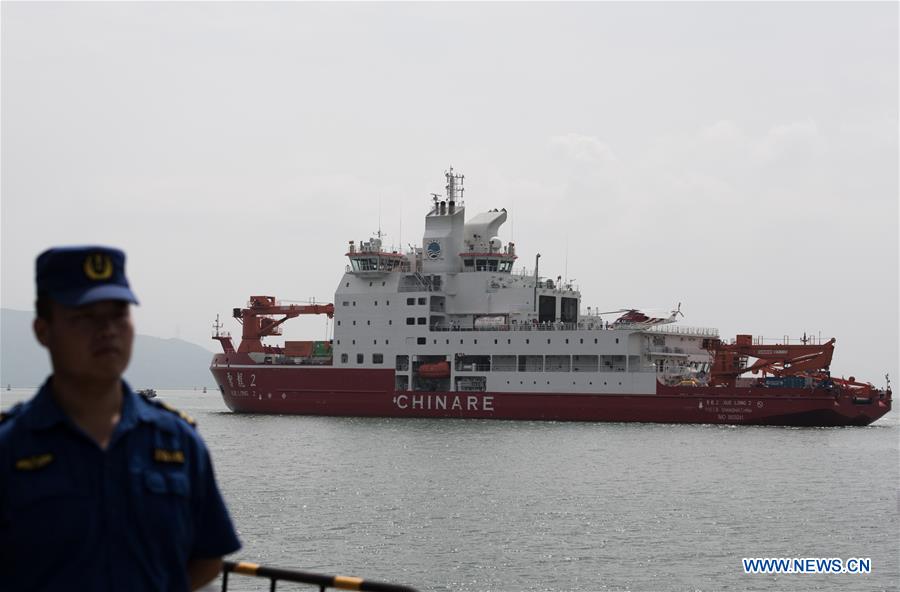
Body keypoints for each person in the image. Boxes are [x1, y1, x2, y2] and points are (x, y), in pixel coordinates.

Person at [0, 246, 241, 591]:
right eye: (85, 317)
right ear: (43, 331)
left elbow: (209, 555)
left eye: (118, 315)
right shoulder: (10, 448)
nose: (108, 330)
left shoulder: (178, 442)